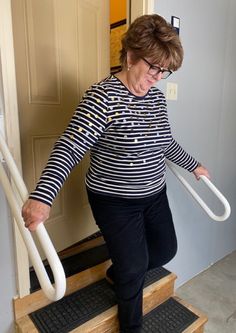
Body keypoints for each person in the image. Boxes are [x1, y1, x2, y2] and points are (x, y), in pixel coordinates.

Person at [22, 14, 210, 333]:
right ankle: (131, 326)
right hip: (114, 201)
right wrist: (42, 196)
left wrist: (193, 164)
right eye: (154, 67)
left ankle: (117, 272)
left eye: (165, 71)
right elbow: (69, 147)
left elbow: (165, 142)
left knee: (166, 250)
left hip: (154, 194)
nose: (158, 77)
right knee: (134, 267)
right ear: (131, 55)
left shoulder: (157, 99)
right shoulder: (102, 97)